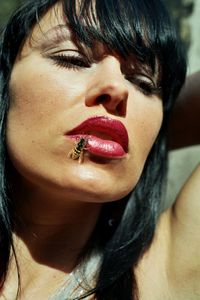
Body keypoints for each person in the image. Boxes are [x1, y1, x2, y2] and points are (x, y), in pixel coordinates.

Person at [0, 0, 199, 299]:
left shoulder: (161, 274)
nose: (117, 88)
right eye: (73, 59)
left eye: (143, 82)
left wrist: (149, 139)